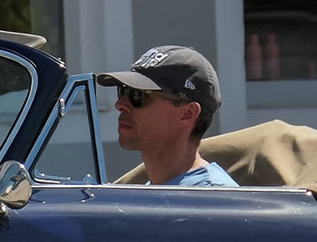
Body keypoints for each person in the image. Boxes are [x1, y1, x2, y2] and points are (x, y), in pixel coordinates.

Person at [97, 46, 237, 187]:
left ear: (188, 114)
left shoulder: (212, 195)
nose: (119, 104)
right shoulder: (150, 191)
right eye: (123, 90)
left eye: (138, 95)